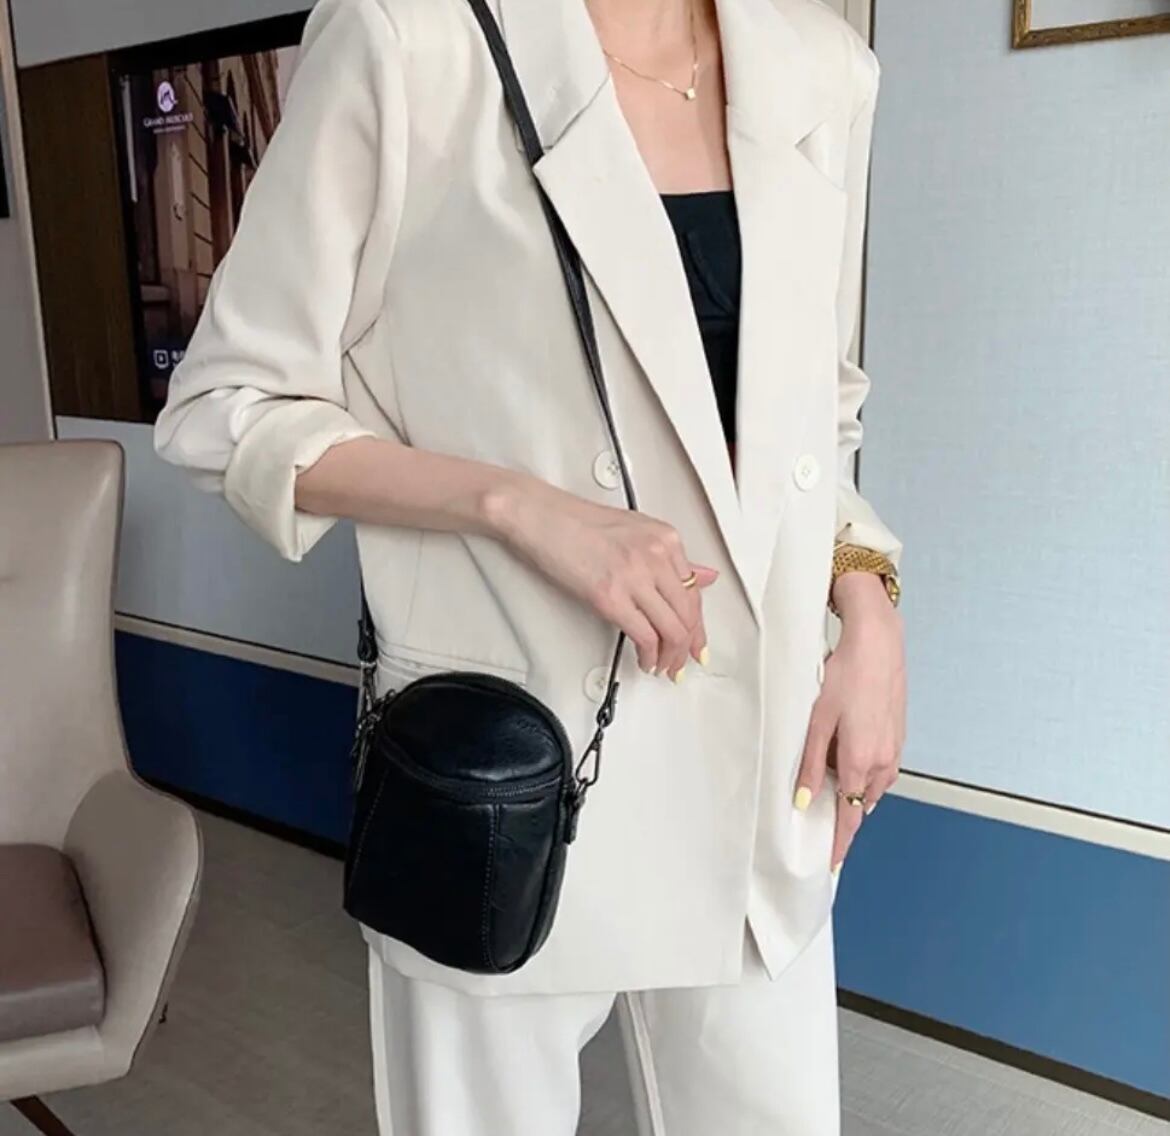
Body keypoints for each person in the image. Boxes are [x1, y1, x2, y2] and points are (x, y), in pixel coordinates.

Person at [154, 0, 907, 1130]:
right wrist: (517, 507)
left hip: (762, 768)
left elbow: (812, 421)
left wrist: (869, 602)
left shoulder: (821, 69)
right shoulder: (407, 40)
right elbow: (227, 406)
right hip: (512, 768)